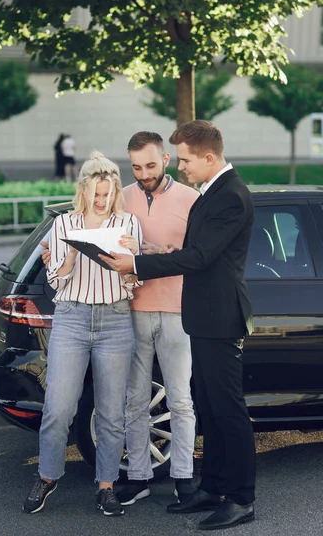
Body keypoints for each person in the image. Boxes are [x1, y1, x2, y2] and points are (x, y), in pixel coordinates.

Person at [100, 120, 256, 531]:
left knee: (228, 411)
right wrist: (154, 250)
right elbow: (191, 251)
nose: (181, 168)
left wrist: (138, 263)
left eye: (185, 160)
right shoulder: (212, 192)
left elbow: (200, 257)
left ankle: (241, 499)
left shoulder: (232, 196)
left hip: (221, 318)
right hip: (201, 317)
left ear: (209, 157)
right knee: (207, 406)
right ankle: (213, 489)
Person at [41, 132, 199, 504]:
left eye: (150, 165)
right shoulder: (91, 211)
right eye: (137, 167)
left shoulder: (160, 211)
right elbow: (62, 267)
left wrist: (145, 257)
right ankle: (68, 477)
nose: (102, 200)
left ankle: (146, 482)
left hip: (146, 313)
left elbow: (151, 272)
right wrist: (65, 254)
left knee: (149, 405)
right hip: (101, 314)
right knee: (94, 405)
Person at [23, 151, 142, 517]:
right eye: (96, 195)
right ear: (84, 191)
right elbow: (57, 281)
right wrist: (73, 254)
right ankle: (47, 477)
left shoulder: (128, 224)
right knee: (58, 407)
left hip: (116, 320)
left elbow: (135, 282)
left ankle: (105, 487)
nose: (102, 201)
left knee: (110, 411)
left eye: (108, 194)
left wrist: (134, 261)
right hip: (72, 319)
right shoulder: (64, 225)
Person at [116, 132, 199, 506]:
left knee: (180, 399)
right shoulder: (122, 197)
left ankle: (183, 476)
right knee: (135, 399)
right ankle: (138, 476)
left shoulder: (191, 198)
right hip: (133, 310)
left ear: (166, 159)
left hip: (179, 309)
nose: (143, 173)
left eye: (150, 165)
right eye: (136, 167)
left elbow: (200, 255)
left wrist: (161, 253)